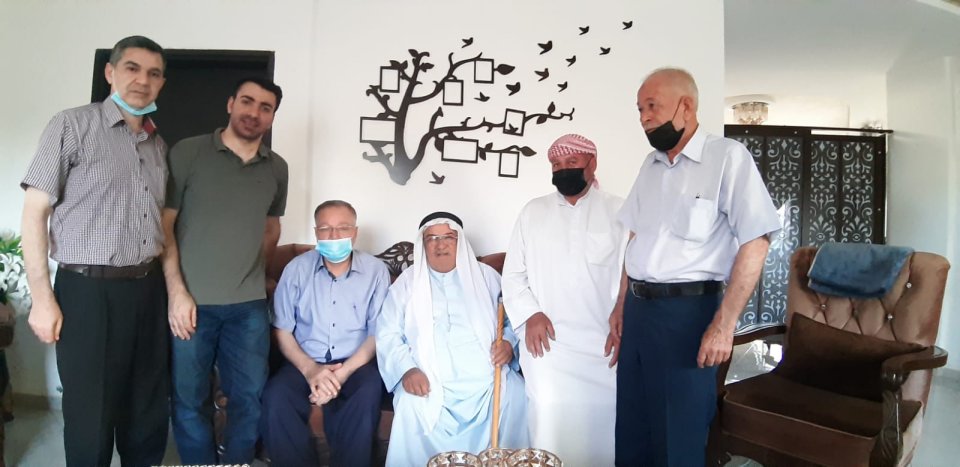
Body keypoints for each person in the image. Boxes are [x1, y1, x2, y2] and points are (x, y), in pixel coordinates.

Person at [614, 67, 781, 466]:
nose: (644, 118)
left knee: (678, 439)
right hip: (638, 313)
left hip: (686, 315)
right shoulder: (650, 166)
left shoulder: (727, 157)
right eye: (639, 110)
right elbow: (634, 239)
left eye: (652, 106)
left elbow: (756, 241)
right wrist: (620, 306)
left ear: (685, 106)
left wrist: (724, 326)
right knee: (633, 430)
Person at [20, 35, 170, 466]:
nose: (143, 80)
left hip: (147, 290)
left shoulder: (158, 145)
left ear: (161, 83)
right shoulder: (71, 125)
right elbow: (34, 212)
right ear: (110, 72)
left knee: (146, 411)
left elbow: (161, 226)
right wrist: (42, 299)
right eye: (132, 68)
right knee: (91, 416)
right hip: (88, 292)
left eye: (154, 73)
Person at [162, 76, 288, 463]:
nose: (254, 112)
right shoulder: (188, 152)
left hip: (248, 307)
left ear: (272, 117)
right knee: (189, 399)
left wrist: (257, 272)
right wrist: (176, 292)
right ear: (231, 103)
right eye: (247, 101)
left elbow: (271, 227)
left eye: (265, 107)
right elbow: (165, 226)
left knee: (249, 398)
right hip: (192, 303)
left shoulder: (277, 167)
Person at [501, 134, 628, 465]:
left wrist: (624, 317)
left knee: (606, 422)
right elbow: (513, 275)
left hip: (603, 344)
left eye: (572, 162)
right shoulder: (533, 212)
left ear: (592, 163)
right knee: (548, 417)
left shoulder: (620, 211)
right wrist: (530, 315)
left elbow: (632, 272)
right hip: (549, 345)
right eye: (556, 164)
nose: (563, 169)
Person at [377, 212, 528, 466]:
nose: (440, 244)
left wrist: (509, 344)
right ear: (423, 244)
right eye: (432, 238)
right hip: (428, 377)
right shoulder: (407, 283)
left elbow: (513, 320)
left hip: (486, 378)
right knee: (410, 405)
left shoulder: (486, 276)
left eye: (448, 237)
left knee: (516, 394)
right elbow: (387, 333)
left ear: (460, 241)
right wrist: (407, 370)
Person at [260, 200, 390, 467]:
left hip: (356, 363)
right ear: (316, 232)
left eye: (343, 228)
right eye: (325, 228)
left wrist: (339, 376)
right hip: (303, 359)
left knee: (367, 394)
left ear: (355, 232)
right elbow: (283, 329)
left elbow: (376, 334)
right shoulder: (296, 269)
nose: (334, 235)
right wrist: (311, 370)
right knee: (276, 398)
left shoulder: (376, 271)